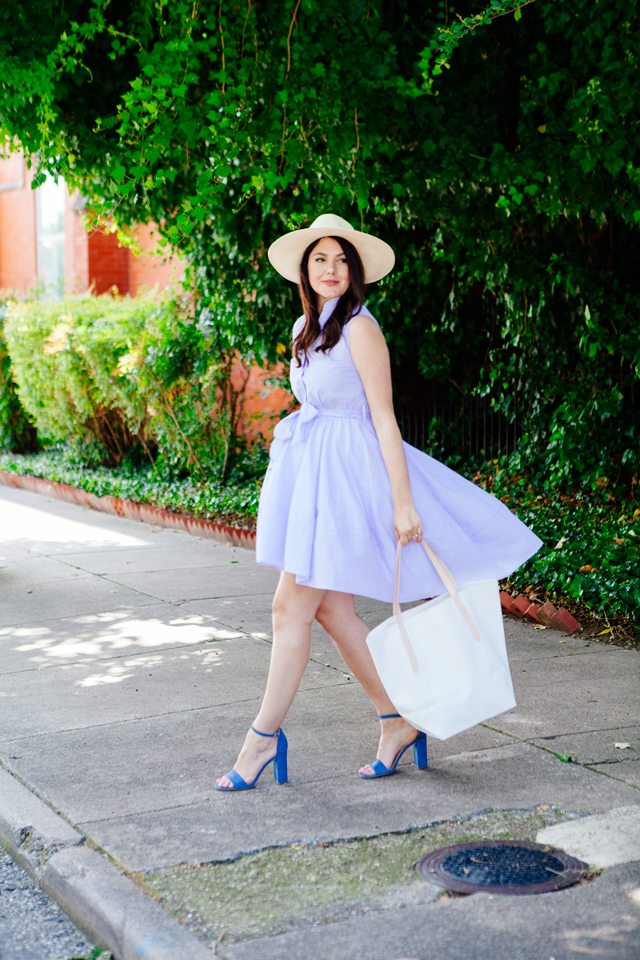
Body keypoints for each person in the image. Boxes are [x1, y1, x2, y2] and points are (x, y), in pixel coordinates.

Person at [215, 214, 541, 791]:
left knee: (288, 609)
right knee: (331, 610)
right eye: (321, 260)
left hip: (347, 479)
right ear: (305, 270)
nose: (332, 269)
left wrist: (403, 503)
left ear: (355, 270)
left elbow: (383, 418)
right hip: (316, 477)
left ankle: (262, 739)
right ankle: (396, 721)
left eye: (342, 260)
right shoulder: (305, 326)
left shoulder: (362, 329)